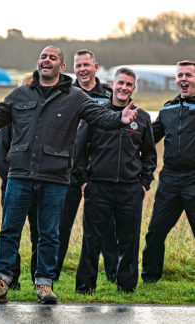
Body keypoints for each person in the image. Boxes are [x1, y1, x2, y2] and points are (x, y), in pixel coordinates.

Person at [0, 45, 138, 304]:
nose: (47, 60)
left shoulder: (75, 97)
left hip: (54, 178)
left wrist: (120, 118)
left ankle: (44, 283)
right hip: (19, 175)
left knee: (49, 234)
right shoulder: (19, 95)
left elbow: (101, 117)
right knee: (9, 231)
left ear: (61, 67)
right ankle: (0, 282)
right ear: (38, 63)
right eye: (43, 56)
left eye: (53, 58)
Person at [74, 67, 157, 293]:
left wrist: (143, 183)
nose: (124, 88)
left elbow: (149, 155)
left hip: (130, 190)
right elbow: (79, 151)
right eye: (120, 83)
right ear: (112, 84)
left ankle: (126, 287)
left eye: (129, 84)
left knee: (129, 242)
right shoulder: (96, 114)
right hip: (98, 187)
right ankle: (84, 287)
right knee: (92, 241)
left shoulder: (143, 118)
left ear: (133, 88)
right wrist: (83, 181)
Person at [55, 50, 118, 281]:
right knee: (60, 227)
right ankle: (51, 276)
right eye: (78, 65)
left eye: (86, 65)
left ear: (96, 67)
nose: (82, 69)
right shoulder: (65, 93)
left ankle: (114, 274)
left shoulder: (110, 95)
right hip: (68, 171)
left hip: (100, 173)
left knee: (107, 229)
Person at [142, 60, 195, 284]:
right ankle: (149, 278)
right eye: (180, 75)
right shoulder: (168, 108)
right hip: (170, 179)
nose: (183, 79)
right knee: (155, 231)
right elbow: (148, 138)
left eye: (188, 75)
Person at [0, 72, 38, 290]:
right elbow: (0, 152)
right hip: (14, 182)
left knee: (41, 234)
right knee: (11, 232)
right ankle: (11, 278)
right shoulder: (9, 114)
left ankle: (41, 279)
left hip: (41, 182)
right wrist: (10, 179)